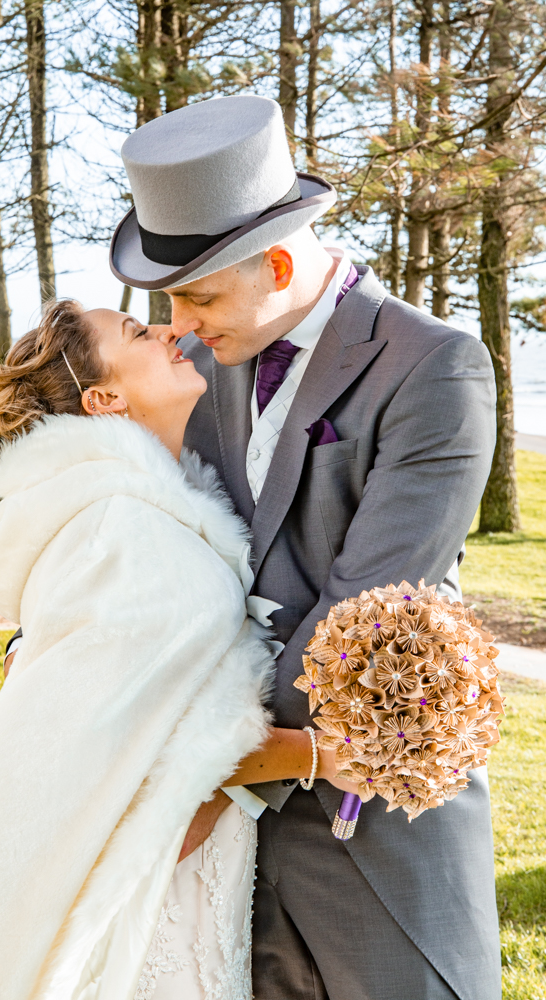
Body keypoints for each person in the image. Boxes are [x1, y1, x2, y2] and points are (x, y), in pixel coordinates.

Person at [105, 93, 503, 1000]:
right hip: (221, 857)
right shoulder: (200, 364)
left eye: (199, 295)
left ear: (277, 262)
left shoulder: (435, 366)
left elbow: (370, 601)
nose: (183, 323)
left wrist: (207, 752)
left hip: (368, 821)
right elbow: (148, 533)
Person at [0, 299, 353, 1000]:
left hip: (181, 875)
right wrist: (322, 754)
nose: (170, 328)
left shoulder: (145, 511)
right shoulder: (125, 530)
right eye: (136, 331)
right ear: (104, 398)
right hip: (138, 896)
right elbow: (127, 749)